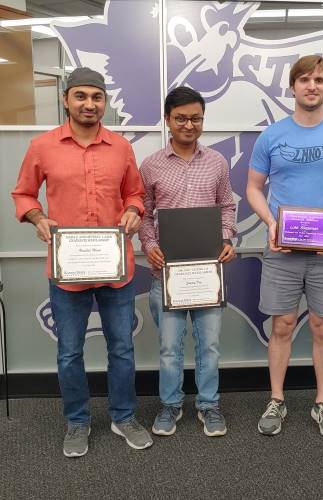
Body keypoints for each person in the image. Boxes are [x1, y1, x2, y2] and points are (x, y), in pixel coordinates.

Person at [11, 67, 152, 457]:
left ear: (104, 102)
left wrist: (134, 211)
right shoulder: (42, 146)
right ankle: (77, 421)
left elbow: (136, 194)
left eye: (97, 97)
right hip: (67, 271)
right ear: (66, 99)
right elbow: (23, 194)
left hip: (115, 269)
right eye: (81, 96)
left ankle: (123, 416)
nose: (90, 104)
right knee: (69, 352)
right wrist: (38, 218)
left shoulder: (122, 147)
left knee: (122, 348)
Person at [246, 55, 323, 438]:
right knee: (281, 325)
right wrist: (270, 222)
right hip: (282, 250)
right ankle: (277, 399)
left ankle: (322, 403)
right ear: (293, 86)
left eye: (319, 79)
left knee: (322, 328)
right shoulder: (272, 135)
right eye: (304, 79)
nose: (311, 86)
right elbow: (253, 188)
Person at [139, 86, 236, 437]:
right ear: (167, 120)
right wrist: (149, 243)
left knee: (209, 344)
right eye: (181, 118)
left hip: (207, 272)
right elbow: (145, 214)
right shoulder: (150, 165)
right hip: (165, 274)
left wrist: (226, 236)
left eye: (196, 118)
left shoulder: (217, 163)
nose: (189, 125)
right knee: (169, 347)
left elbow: (227, 205)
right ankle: (170, 405)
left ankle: (209, 405)